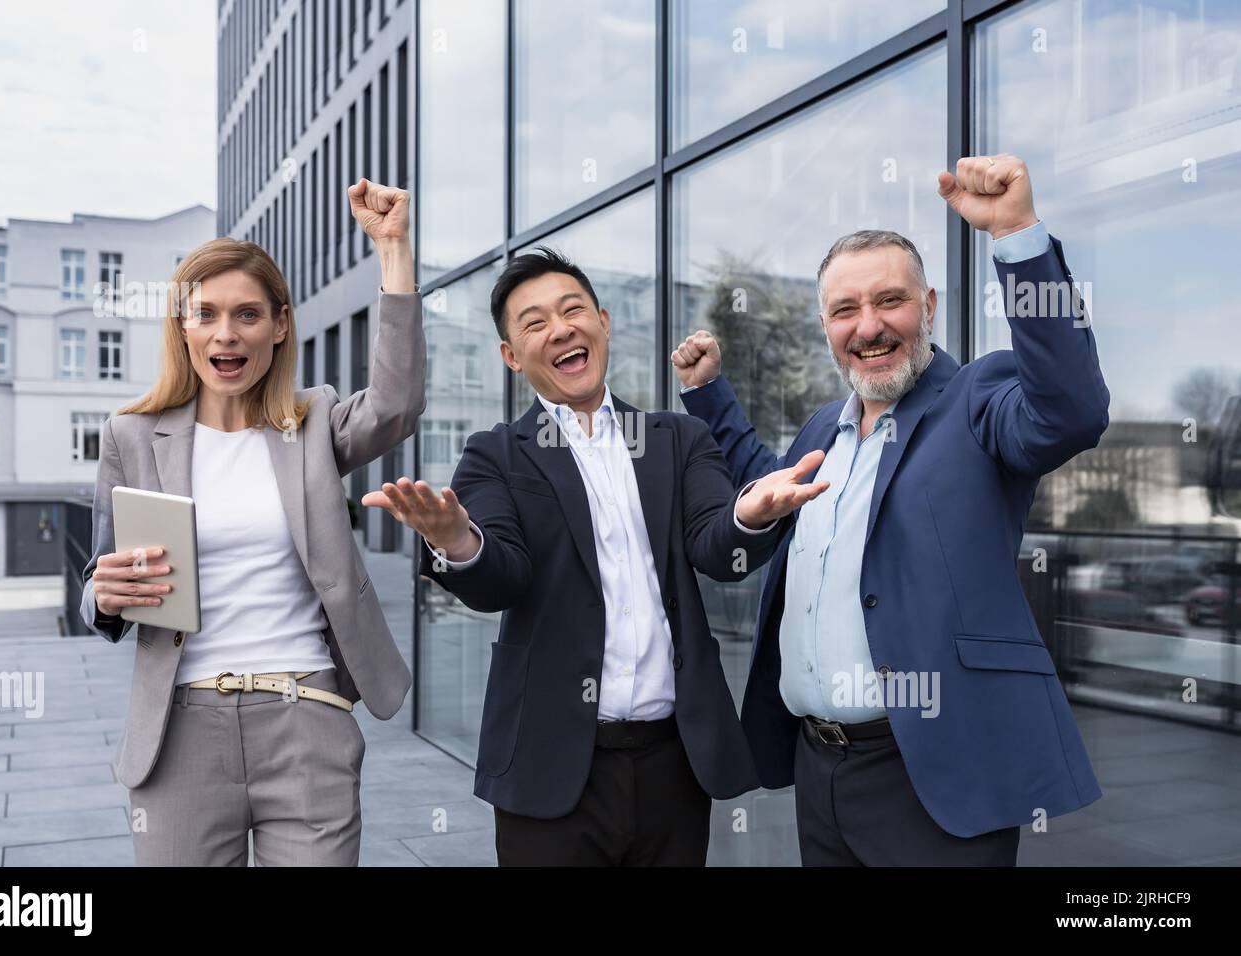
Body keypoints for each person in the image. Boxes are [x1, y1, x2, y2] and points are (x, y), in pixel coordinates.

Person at [672, 154, 1108, 865]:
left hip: (934, 770)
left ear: (929, 306)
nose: (868, 326)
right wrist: (709, 393)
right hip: (821, 770)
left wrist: (1019, 237)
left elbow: (1071, 411)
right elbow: (767, 485)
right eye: (845, 310)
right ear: (826, 327)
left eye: (890, 302)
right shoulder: (823, 429)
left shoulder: (977, 399)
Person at [365, 248, 825, 865]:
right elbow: (501, 576)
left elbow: (716, 547)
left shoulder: (677, 438)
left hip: (674, 764)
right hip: (551, 767)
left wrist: (751, 512)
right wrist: (456, 541)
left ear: (603, 322)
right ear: (509, 356)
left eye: (573, 310)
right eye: (534, 323)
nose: (560, 329)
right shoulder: (495, 453)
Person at [78, 180, 425, 866]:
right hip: (179, 732)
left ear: (280, 324)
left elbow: (396, 403)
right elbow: (98, 578)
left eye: (247, 314)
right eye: (206, 313)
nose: (226, 333)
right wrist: (104, 595)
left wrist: (392, 249)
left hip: (307, 717)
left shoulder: (315, 421)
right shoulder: (132, 435)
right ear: (182, 325)